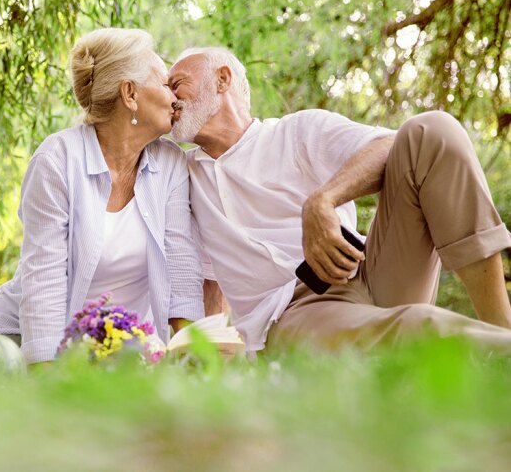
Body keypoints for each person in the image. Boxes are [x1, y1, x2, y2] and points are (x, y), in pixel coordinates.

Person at [167, 46, 511, 355]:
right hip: (296, 311)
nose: (170, 98)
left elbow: (392, 146)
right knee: (419, 326)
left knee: (432, 131)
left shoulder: (297, 131)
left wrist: (322, 200)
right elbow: (209, 279)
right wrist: (202, 348)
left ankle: (501, 328)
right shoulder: (181, 175)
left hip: (368, 268)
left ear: (222, 80)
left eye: (177, 83)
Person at [0, 29, 204, 367]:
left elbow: (182, 270)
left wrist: (192, 360)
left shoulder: (170, 163)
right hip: (20, 327)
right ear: (129, 93)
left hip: (104, 348)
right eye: (163, 84)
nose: (175, 99)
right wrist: (44, 371)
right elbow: (44, 277)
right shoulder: (58, 159)